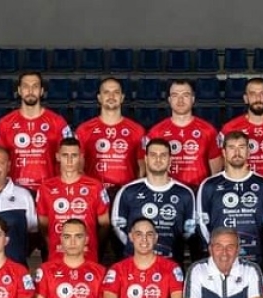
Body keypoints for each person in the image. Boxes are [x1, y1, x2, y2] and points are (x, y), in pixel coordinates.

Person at [197, 130, 263, 269]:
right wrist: (217, 248)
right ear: (224, 152)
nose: (237, 152)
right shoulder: (209, 185)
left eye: (241, 147)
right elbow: (202, 224)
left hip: (255, 260)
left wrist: (258, 245)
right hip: (220, 260)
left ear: (248, 152)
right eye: (231, 147)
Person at [111, 138, 196, 266]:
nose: (158, 159)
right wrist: (140, 248)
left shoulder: (185, 193)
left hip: (171, 263)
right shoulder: (128, 191)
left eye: (163, 155)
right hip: (135, 263)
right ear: (145, 159)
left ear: (170, 160)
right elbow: (118, 227)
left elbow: (189, 230)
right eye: (153, 155)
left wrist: (170, 247)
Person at [0, 71, 73, 193]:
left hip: (50, 192)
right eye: (26, 86)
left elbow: (70, 159)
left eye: (35, 86)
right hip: (15, 193)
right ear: (19, 91)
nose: (30, 91)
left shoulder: (58, 123)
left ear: (41, 91)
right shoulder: (5, 124)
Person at [36, 137, 110, 262]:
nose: (69, 160)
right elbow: (43, 225)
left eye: (74, 155)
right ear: (58, 157)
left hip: (88, 256)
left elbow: (105, 224)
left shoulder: (95, 186)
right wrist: (51, 244)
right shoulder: (46, 188)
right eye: (65, 155)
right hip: (56, 256)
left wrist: (93, 243)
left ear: (80, 157)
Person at [75, 78, 146, 199]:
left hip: (126, 195)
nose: (111, 96)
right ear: (99, 97)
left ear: (122, 97)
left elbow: (142, 168)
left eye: (116, 92)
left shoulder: (137, 130)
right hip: (94, 195)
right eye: (106, 92)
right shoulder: (84, 130)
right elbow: (78, 167)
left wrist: (134, 193)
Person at [146, 79, 222, 189]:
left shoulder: (208, 130)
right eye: (175, 95)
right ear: (169, 100)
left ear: (193, 99)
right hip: (167, 190)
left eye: (185, 95)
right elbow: (149, 166)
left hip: (198, 190)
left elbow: (216, 169)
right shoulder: (156, 132)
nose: (180, 100)